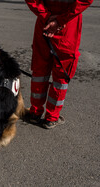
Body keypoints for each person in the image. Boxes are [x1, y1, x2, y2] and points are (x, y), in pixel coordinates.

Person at [25, 0, 93, 129]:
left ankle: (35, 113)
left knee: (40, 71)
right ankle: (51, 118)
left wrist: (46, 16)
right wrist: (60, 20)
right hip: (68, 24)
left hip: (45, 22)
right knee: (61, 74)